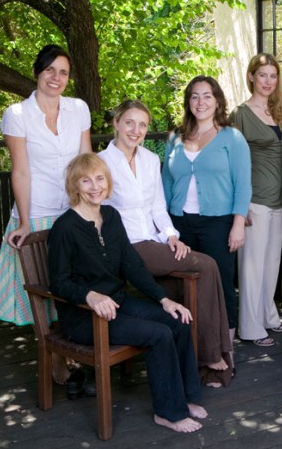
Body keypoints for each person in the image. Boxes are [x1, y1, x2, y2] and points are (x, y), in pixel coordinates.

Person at [48, 153, 207, 433]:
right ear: (75, 186)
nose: (95, 186)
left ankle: (185, 397)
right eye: (86, 180)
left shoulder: (110, 216)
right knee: (158, 335)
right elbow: (58, 282)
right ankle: (168, 412)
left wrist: (164, 299)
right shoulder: (65, 228)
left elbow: (131, 265)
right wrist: (91, 296)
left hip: (119, 304)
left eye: (100, 179)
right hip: (84, 317)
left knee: (177, 321)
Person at [98, 100, 233, 387]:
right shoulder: (101, 163)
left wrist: (171, 236)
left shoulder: (149, 159)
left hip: (154, 241)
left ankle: (196, 365)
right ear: (116, 124)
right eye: (130, 123)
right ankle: (212, 353)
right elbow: (101, 215)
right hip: (127, 246)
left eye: (143, 125)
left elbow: (159, 206)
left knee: (184, 285)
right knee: (207, 265)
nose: (136, 130)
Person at [0, 44, 92, 385]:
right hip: (39, 214)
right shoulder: (17, 114)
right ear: (37, 72)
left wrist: (91, 210)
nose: (56, 77)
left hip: (73, 214)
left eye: (63, 72)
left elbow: (86, 162)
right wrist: (23, 221)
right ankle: (58, 364)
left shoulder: (78, 109)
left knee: (72, 288)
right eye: (50, 70)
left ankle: (72, 356)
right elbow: (20, 171)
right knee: (44, 293)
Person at [162, 76, 252, 352]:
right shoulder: (175, 138)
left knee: (221, 286)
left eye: (207, 96)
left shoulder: (231, 138)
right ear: (188, 102)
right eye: (194, 96)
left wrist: (238, 224)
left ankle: (226, 351)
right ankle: (191, 347)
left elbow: (243, 184)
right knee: (180, 285)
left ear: (217, 101)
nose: (200, 102)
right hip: (179, 224)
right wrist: (163, 226)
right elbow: (165, 183)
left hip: (217, 224)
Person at [230, 54, 282, 347]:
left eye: (273, 75)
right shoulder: (240, 114)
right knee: (252, 268)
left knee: (270, 264)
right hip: (253, 200)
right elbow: (232, 163)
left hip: (278, 200)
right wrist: (239, 210)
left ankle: (268, 316)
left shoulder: (279, 112)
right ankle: (250, 328)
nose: (268, 81)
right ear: (252, 76)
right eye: (262, 75)